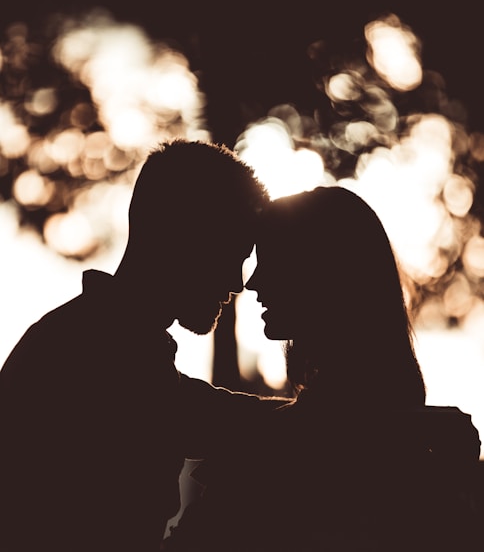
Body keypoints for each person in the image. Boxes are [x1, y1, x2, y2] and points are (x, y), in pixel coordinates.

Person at [0, 138, 287, 552]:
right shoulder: (97, 357)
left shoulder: (100, 343)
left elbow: (209, 413)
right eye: (231, 253)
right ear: (182, 235)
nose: (237, 283)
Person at [163, 185, 481, 552]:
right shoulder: (406, 444)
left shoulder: (278, 459)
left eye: (270, 260)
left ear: (320, 273)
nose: (251, 283)